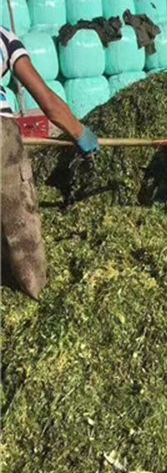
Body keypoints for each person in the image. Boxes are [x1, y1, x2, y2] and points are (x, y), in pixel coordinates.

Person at [1, 26, 99, 299]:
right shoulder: (3, 38)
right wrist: (79, 132)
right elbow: (47, 101)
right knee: (18, 223)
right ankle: (34, 291)